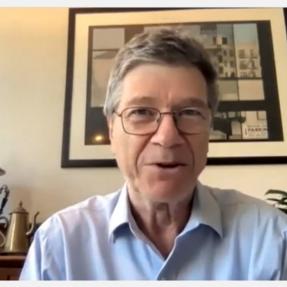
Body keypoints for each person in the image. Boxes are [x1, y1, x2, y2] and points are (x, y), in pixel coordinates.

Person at [20, 28, 287, 280]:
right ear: (112, 131)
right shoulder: (58, 245)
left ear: (209, 129)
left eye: (190, 113)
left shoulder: (272, 239)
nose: (167, 137)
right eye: (142, 112)